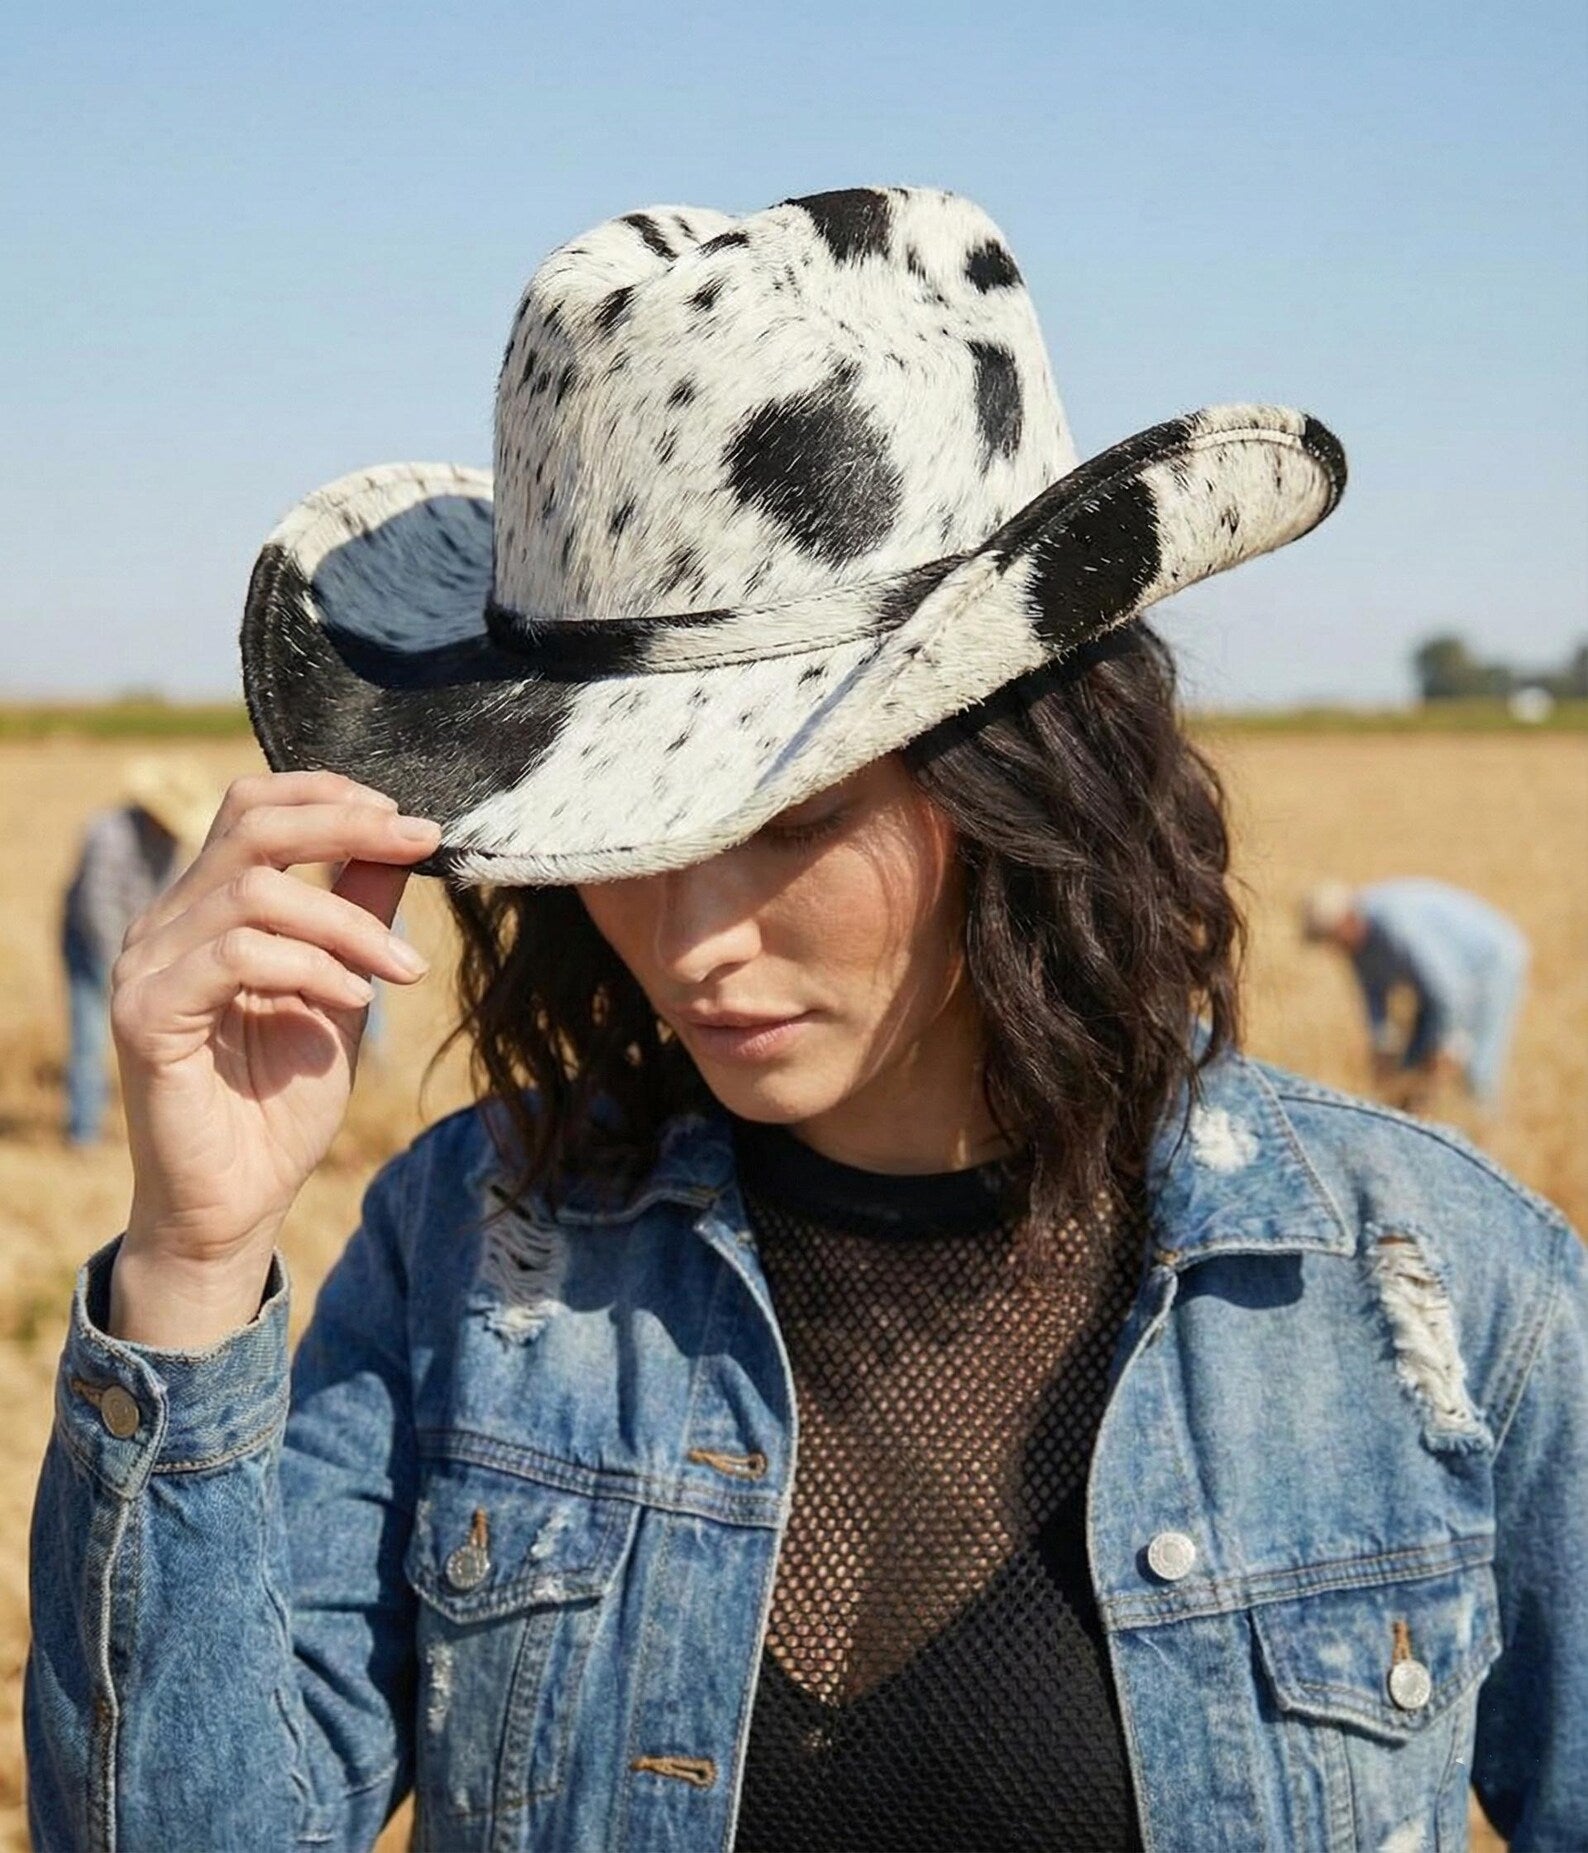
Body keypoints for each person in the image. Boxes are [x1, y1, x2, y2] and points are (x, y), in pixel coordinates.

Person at [25, 188, 1584, 1851]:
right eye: (622, 840)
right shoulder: (471, 1252)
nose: (690, 942)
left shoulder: (1431, 1297)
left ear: (1021, 777)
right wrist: (190, 1258)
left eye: (783, 821)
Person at [57, 754, 217, 1143]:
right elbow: (98, 907)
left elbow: (170, 897)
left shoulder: (170, 843)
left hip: (135, 947)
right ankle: (84, 1133)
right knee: (89, 1036)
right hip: (90, 944)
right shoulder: (107, 834)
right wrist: (118, 965)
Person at [1301, 877, 1530, 1115]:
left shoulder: (1395, 922)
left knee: (1476, 1066)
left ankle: (1484, 1129)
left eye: (1330, 937)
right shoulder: (1357, 944)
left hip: (1489, 964)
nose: (1331, 948)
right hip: (1441, 987)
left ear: (1346, 921)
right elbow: (1373, 995)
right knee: (1411, 1066)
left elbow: (1449, 987)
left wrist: (1450, 1042)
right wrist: (1383, 1046)